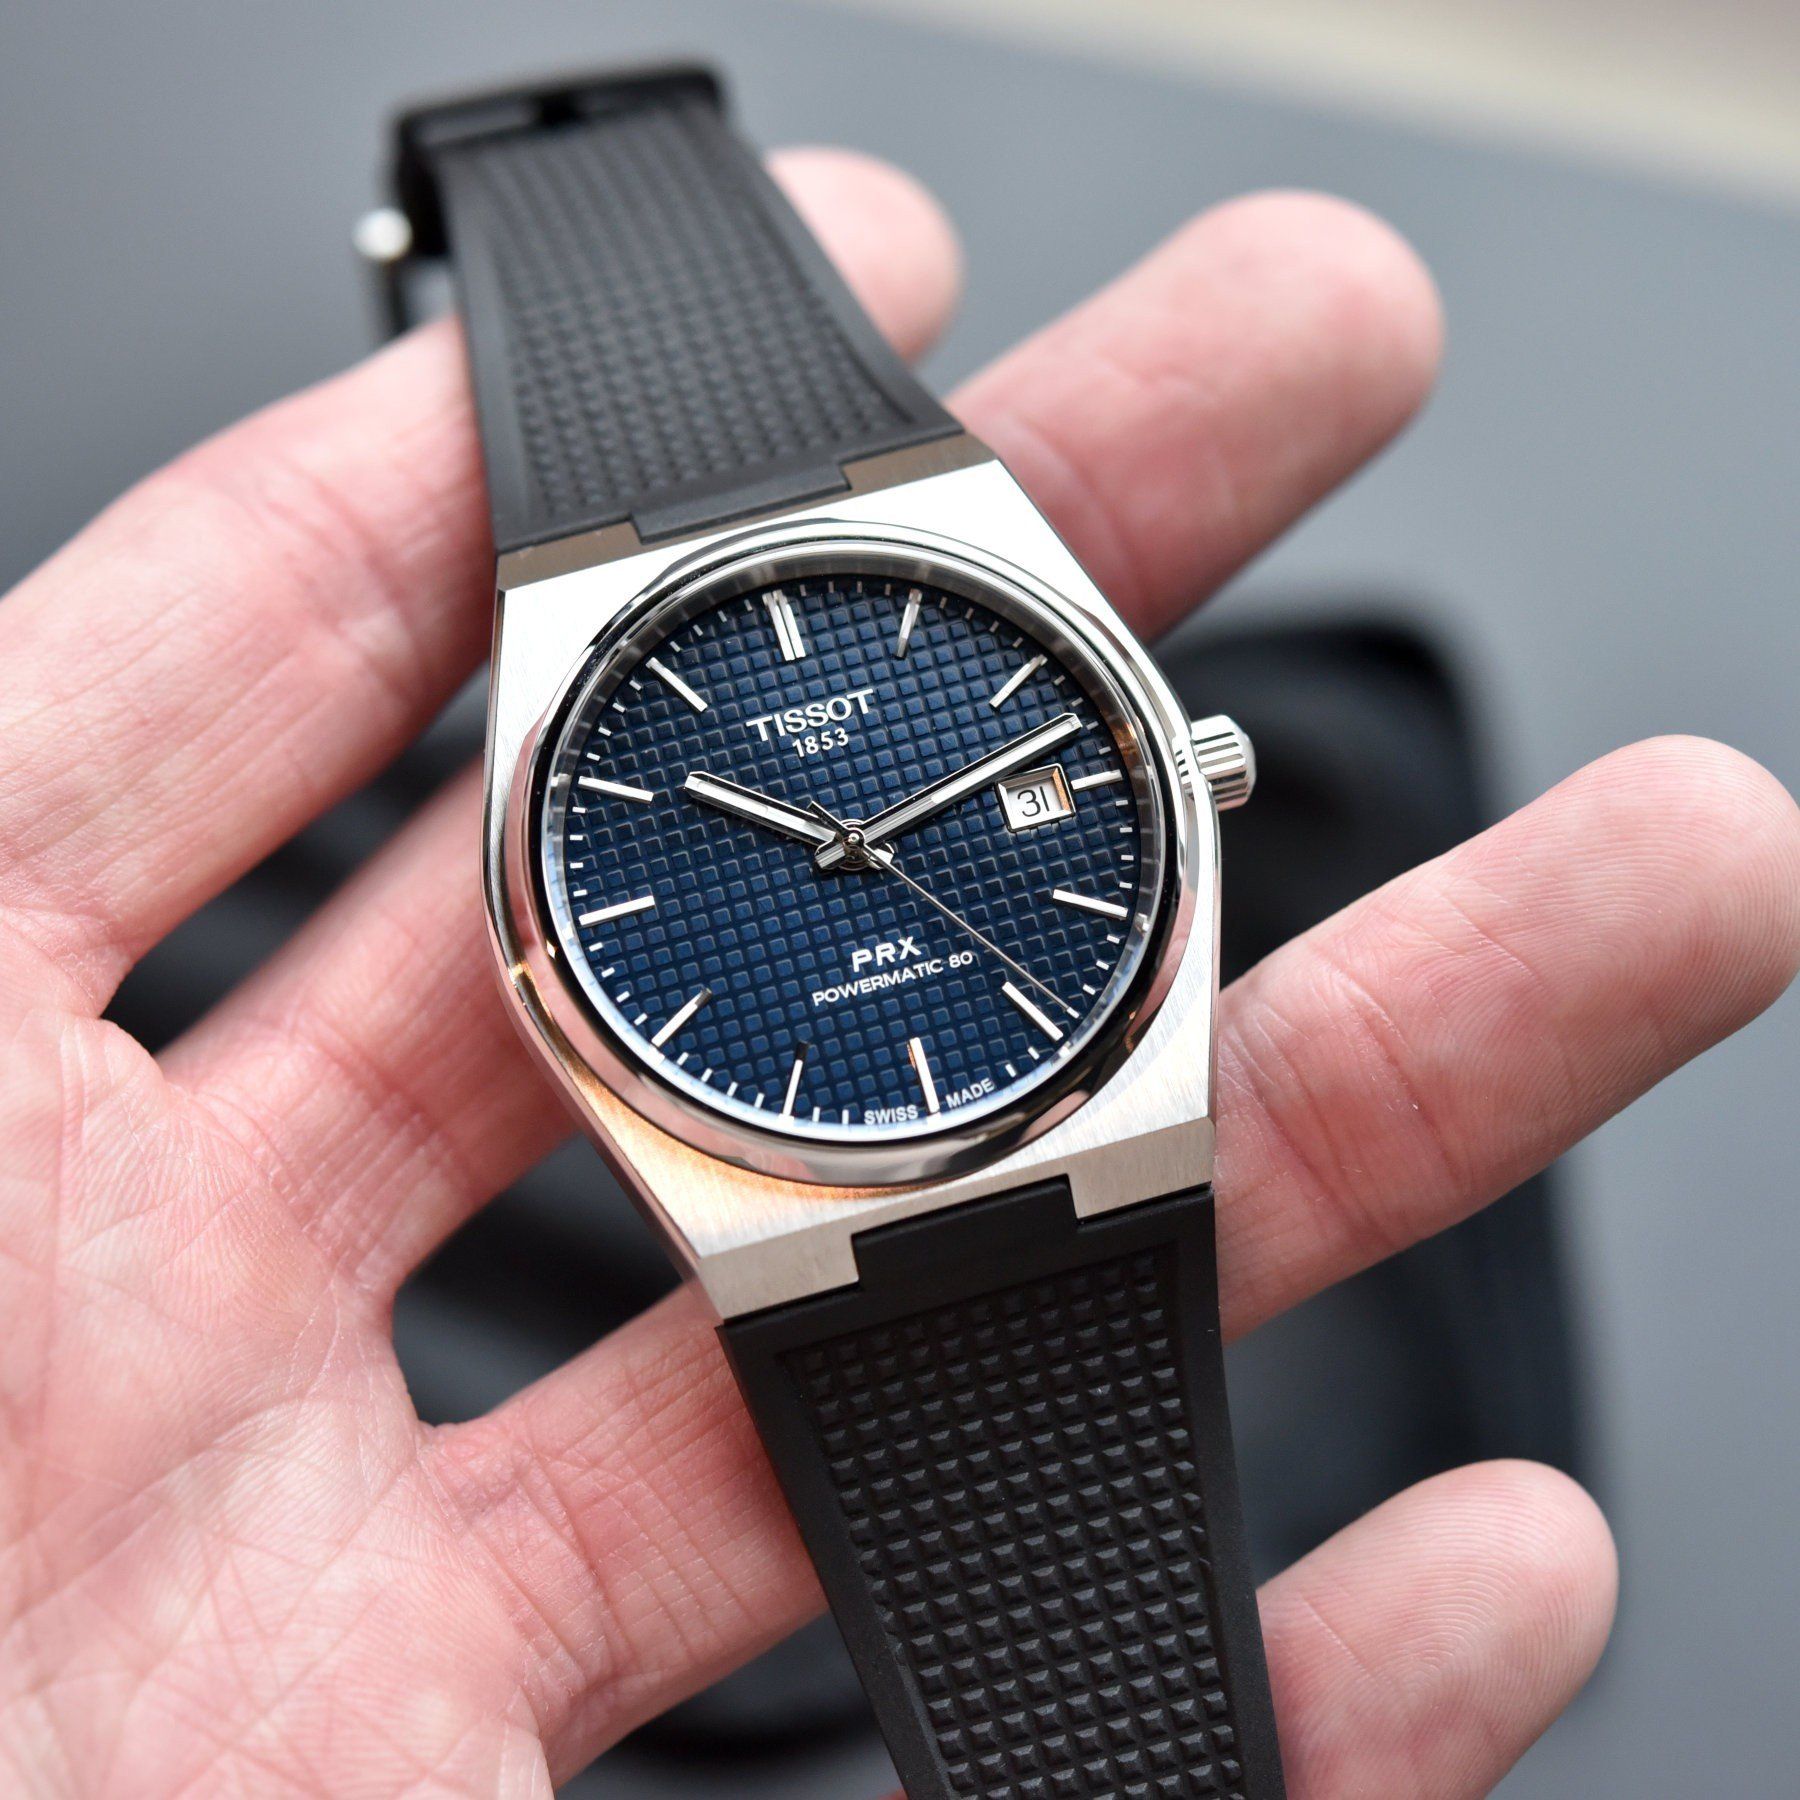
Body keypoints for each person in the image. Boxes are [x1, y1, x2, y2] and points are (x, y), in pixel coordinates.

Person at [0, 148, 1794, 1799]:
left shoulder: (1072, 758)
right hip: (810, 1174)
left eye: (870, 835)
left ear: (1191, 773)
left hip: (1047, 1111)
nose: (852, 852)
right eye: (826, 843)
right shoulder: (602, 825)